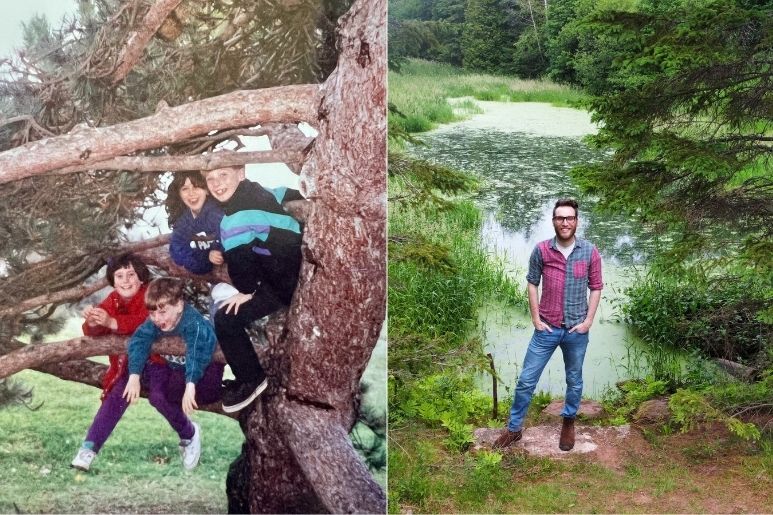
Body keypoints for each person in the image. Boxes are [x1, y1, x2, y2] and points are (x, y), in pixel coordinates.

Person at [494, 199, 603, 451]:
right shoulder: (542, 250)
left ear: (576, 221)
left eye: (569, 218)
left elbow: (596, 287)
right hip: (547, 328)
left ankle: (568, 422)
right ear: (553, 221)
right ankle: (513, 429)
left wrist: (588, 322)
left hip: (576, 330)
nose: (565, 222)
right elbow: (532, 282)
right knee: (526, 380)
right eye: (560, 218)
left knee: (574, 380)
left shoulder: (589, 251)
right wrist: (535, 318)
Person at [201, 165, 304, 413]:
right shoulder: (261, 192)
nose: (216, 184)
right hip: (293, 268)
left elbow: (240, 262)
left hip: (282, 283)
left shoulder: (233, 218)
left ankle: (251, 379)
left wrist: (246, 291)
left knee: (225, 319)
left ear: (241, 173)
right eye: (210, 179)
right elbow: (286, 193)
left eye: (223, 175)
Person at [71, 253, 166, 471]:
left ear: (141, 277)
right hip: (127, 367)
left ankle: (187, 433)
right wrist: (94, 321)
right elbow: (93, 332)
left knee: (163, 398)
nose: (125, 281)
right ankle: (89, 448)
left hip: (157, 364)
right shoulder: (112, 299)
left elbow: (146, 321)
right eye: (119, 276)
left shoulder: (150, 294)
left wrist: (112, 321)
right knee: (115, 398)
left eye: (131, 274)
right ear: (113, 281)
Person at [123, 277, 223, 470]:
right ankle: (190, 433)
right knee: (157, 397)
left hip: (205, 376)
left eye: (162, 312)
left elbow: (197, 351)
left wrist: (191, 384)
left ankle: (191, 428)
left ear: (179, 305)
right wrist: (134, 375)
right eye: (153, 313)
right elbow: (139, 340)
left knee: (202, 391)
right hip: (180, 373)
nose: (158, 319)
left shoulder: (193, 322)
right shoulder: (156, 322)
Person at [165, 171, 224, 275]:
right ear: (179, 194)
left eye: (196, 187)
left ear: (207, 190)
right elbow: (177, 251)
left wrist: (219, 252)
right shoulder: (183, 221)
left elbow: (227, 243)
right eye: (185, 189)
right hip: (212, 277)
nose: (191, 193)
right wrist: (205, 257)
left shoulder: (217, 214)